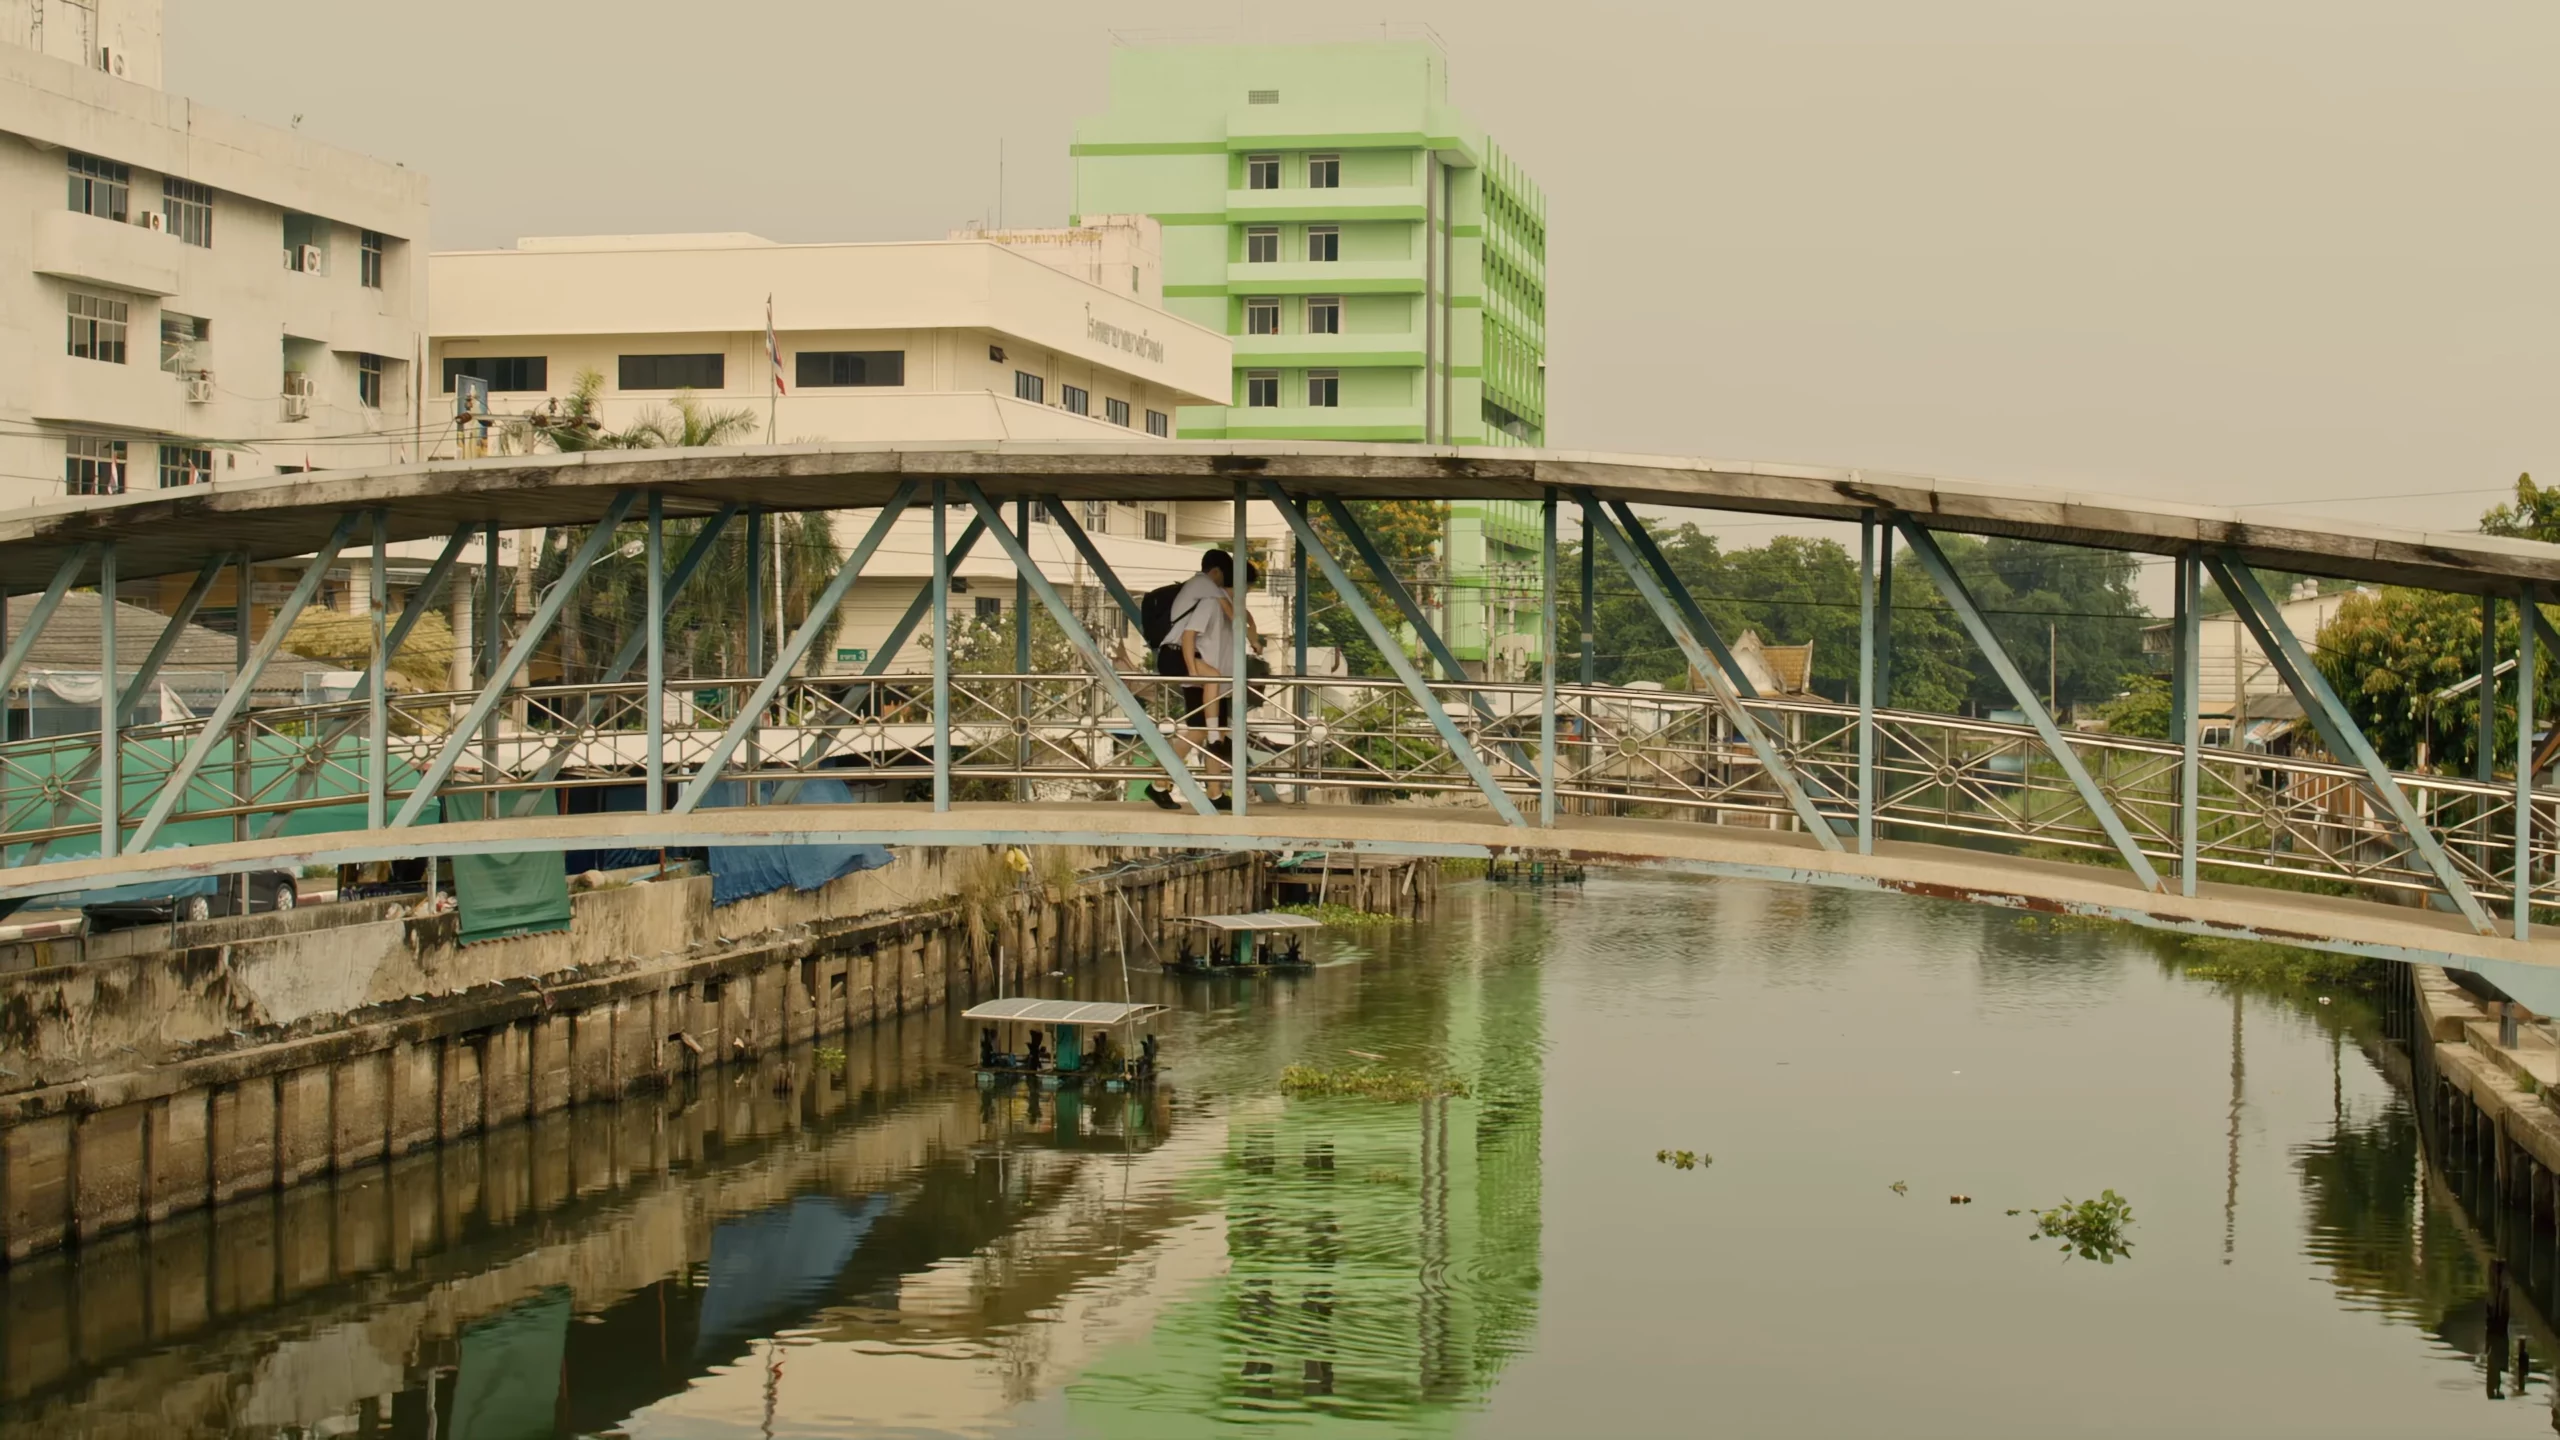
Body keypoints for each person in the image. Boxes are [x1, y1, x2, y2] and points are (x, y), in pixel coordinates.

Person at [1146, 549, 1259, 811]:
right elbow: (1189, 635)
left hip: (1209, 680)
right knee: (1201, 732)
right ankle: (1159, 783)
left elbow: (1241, 617)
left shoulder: (1216, 599)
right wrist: (1195, 671)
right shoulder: (1208, 595)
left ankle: (1215, 792)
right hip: (1187, 664)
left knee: (1212, 732)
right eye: (1246, 589)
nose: (1245, 596)